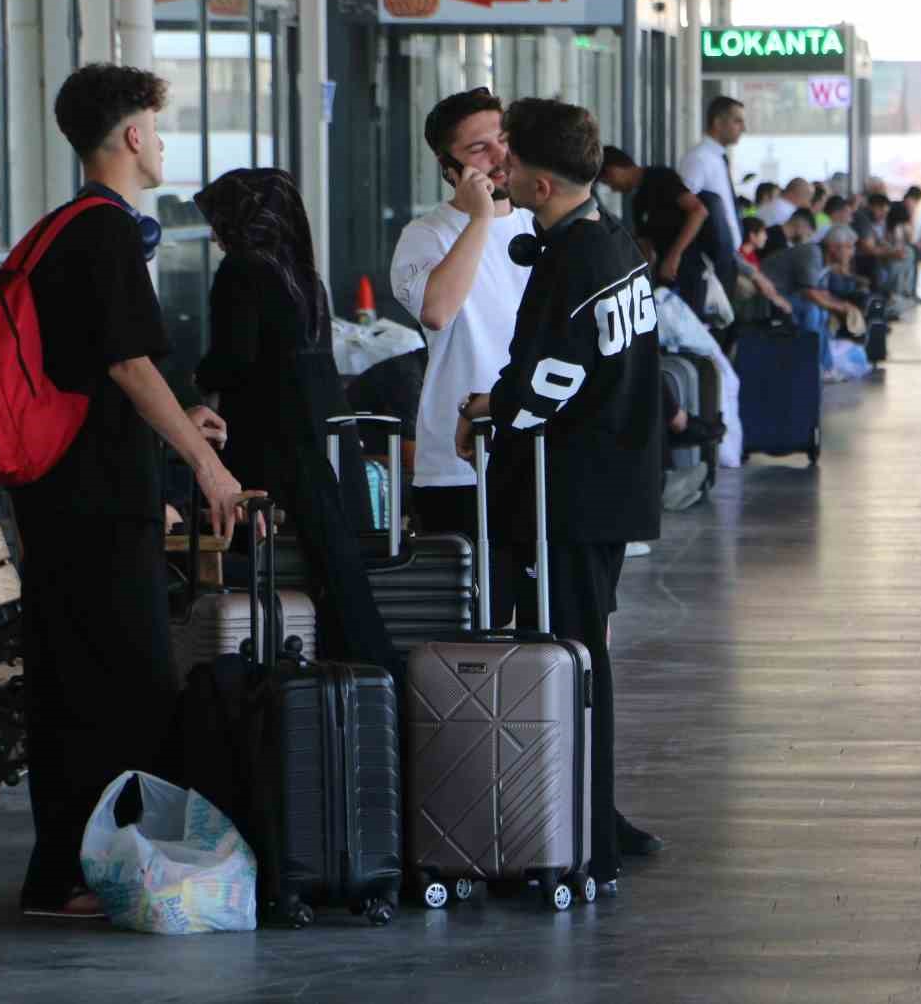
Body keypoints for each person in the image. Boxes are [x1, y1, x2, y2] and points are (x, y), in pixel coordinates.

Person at [14, 63, 251, 917]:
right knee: (113, 684)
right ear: (134, 135)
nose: (165, 141)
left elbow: (113, 369)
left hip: (78, 493)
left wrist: (182, 420)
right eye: (159, 123)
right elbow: (124, 362)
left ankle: (76, 869)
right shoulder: (106, 231)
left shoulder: (73, 226)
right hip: (89, 502)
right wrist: (205, 462)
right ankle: (74, 874)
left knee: (96, 679)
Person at [454, 97, 664, 887]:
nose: (495, 172)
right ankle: (589, 818)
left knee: (572, 660)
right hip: (611, 489)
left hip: (568, 499)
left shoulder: (573, 263)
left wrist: (492, 417)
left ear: (540, 185)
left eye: (505, 163)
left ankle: (583, 843)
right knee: (584, 653)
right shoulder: (613, 242)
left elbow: (549, 381)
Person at [192, 168, 395, 673]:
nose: (216, 233)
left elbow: (231, 361)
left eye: (221, 219)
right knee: (333, 568)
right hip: (322, 430)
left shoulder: (242, 271)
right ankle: (361, 676)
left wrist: (197, 378)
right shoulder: (302, 273)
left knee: (263, 565)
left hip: (270, 438)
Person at [389, 86, 531, 625]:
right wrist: (478, 221)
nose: (498, 157)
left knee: (549, 617)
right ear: (448, 168)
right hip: (460, 465)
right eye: (478, 150)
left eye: (503, 140)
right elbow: (438, 309)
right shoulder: (425, 235)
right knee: (474, 623)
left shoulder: (545, 224)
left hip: (540, 454)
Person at [677, 95, 785, 306]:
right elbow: (686, 209)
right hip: (709, 259)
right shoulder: (698, 159)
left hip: (728, 257)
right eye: (737, 121)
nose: (743, 128)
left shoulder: (717, 159)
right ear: (718, 122)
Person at [598, 145, 710, 316]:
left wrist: (674, 256)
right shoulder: (636, 201)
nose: (613, 189)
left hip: (688, 269)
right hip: (665, 278)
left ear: (612, 171)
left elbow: (698, 211)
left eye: (608, 183)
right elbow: (646, 245)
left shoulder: (660, 178)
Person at [764, 215, 859, 381]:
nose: (852, 253)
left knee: (821, 312)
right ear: (833, 247)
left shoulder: (825, 262)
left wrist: (844, 305)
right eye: (849, 247)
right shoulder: (811, 253)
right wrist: (838, 308)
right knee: (813, 311)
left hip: (788, 297)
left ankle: (824, 367)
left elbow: (822, 292)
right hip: (769, 298)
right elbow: (809, 292)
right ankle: (810, 366)